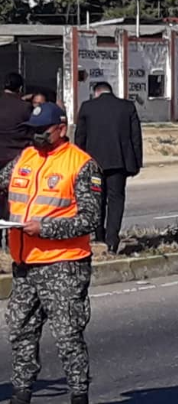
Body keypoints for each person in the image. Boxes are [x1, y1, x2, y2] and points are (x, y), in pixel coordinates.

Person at [0, 102, 102, 404]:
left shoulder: (82, 165)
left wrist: (45, 228)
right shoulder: (26, 157)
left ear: (61, 128)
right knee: (20, 330)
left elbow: (90, 218)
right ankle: (21, 393)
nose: (36, 137)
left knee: (67, 336)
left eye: (42, 131)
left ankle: (78, 395)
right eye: (32, 132)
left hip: (64, 265)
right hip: (25, 263)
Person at [75, 82, 143, 254]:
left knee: (97, 200)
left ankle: (99, 237)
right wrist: (136, 163)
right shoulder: (127, 107)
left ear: (96, 93)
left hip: (93, 164)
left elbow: (80, 138)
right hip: (118, 163)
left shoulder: (87, 107)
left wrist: (79, 164)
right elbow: (136, 137)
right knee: (116, 199)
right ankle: (112, 239)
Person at [0, 73, 33, 221]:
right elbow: (32, 130)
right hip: (17, 157)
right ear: (20, 88)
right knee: (16, 194)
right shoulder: (25, 108)